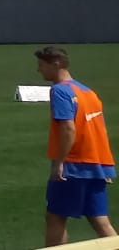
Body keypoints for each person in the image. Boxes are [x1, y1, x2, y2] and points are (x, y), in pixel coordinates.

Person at [36, 46, 115, 246]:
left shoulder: (60, 91)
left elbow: (68, 128)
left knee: (56, 217)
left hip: (73, 165)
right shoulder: (88, 92)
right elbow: (99, 130)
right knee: (100, 221)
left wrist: (60, 162)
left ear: (56, 64)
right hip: (96, 166)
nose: (39, 70)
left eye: (42, 65)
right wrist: (104, 165)